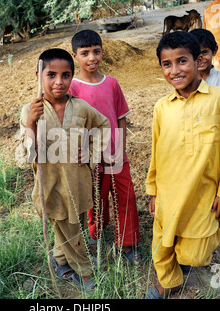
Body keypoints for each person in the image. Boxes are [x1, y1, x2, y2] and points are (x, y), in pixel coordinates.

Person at [144, 32, 220, 299]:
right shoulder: (162, 107)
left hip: (202, 195)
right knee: (162, 247)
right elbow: (156, 150)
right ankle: (168, 283)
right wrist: (153, 190)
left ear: (198, 60)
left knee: (196, 255)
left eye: (182, 61)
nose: (175, 70)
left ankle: (186, 262)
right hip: (168, 192)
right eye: (167, 64)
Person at [18, 48, 110, 288]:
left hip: (77, 181)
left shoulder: (80, 107)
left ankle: (60, 259)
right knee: (68, 226)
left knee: (72, 222)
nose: (59, 82)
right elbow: (26, 153)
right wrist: (30, 123)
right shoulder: (30, 111)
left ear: (72, 76)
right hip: (49, 184)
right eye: (51, 75)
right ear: (38, 75)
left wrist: (92, 151)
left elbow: (103, 124)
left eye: (66, 75)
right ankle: (84, 270)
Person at [68, 29, 142, 265]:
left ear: (102, 52)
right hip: (90, 159)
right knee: (95, 200)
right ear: (75, 56)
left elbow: (121, 117)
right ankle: (95, 235)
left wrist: (120, 149)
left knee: (126, 196)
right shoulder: (72, 88)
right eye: (85, 53)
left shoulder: (111, 83)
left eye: (96, 52)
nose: (92, 58)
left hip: (116, 154)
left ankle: (127, 243)